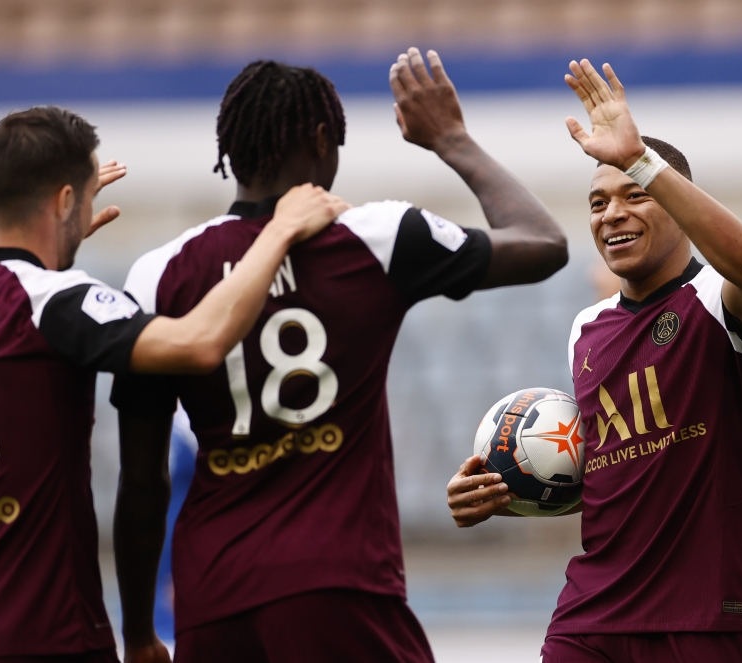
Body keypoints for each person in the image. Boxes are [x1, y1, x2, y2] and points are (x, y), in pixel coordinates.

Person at [111, 48, 568, 662]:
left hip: (212, 595)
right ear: (324, 140)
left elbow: (143, 480)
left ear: (231, 147)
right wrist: (451, 139)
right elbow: (543, 243)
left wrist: (138, 631)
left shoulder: (158, 275)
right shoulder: (374, 237)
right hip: (340, 585)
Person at [0, 106, 347, 662]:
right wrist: (277, 232)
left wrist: (49, 239)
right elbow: (199, 343)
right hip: (43, 633)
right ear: (66, 201)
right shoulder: (59, 301)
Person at [446, 59, 742, 662]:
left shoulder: (717, 300)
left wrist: (641, 160)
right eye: (598, 202)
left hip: (713, 617)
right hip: (593, 616)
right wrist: (508, 492)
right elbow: (619, 476)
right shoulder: (587, 329)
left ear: (675, 206)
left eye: (636, 195)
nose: (612, 214)